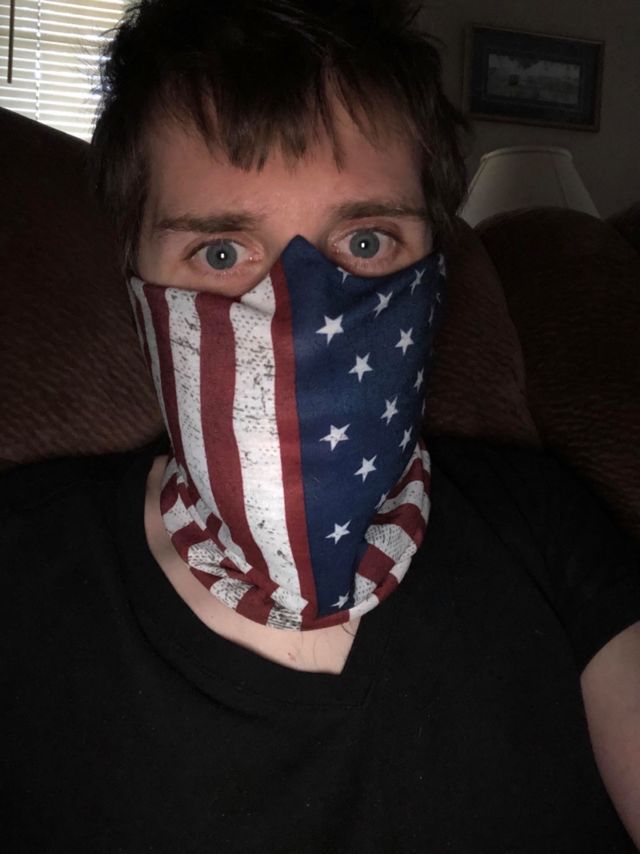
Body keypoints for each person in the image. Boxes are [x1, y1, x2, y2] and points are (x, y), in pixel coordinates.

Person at [2, 1, 640, 851]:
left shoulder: (541, 519)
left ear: (435, 266)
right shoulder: (21, 571)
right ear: (137, 279)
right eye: (222, 254)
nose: (299, 311)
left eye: (366, 243)